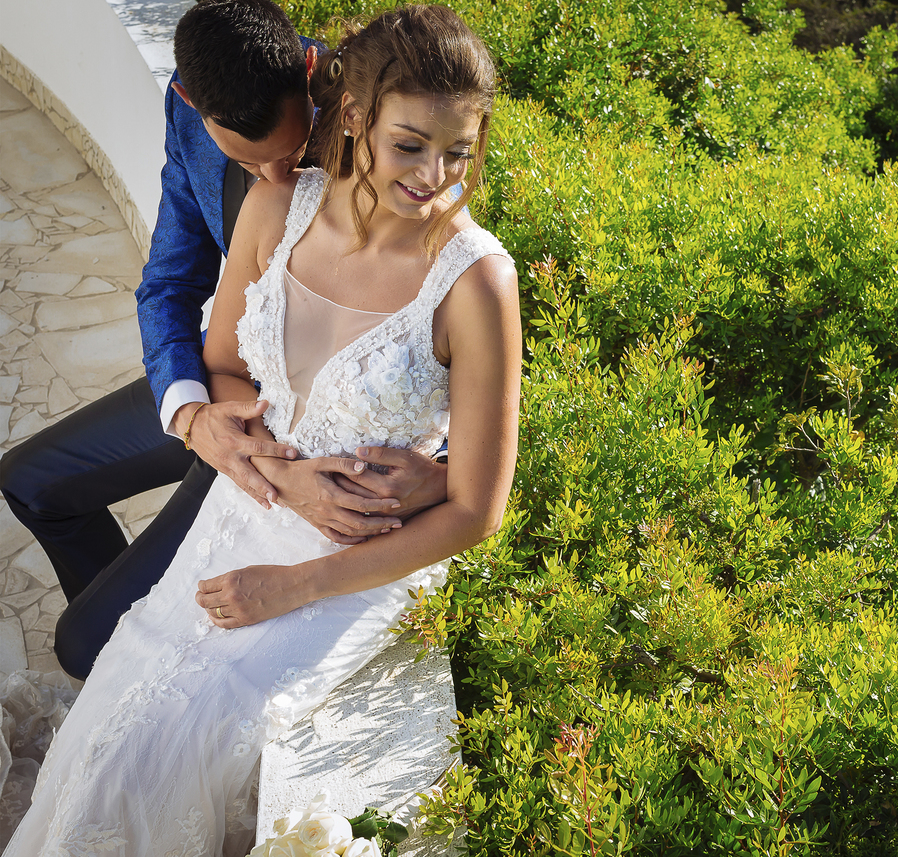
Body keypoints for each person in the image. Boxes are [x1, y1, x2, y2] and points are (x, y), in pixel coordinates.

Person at [4, 4, 519, 854]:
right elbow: (220, 357)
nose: (434, 176)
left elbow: (478, 506)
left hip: (353, 562)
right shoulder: (279, 202)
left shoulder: (475, 280)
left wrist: (296, 584)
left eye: (457, 151)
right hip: (249, 493)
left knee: (177, 742)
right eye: (410, 147)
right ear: (357, 119)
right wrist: (240, 448)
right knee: (113, 709)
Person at [0, 0, 451, 682]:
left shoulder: (372, 123)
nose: (278, 182)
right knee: (30, 482)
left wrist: (436, 467)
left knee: (78, 643)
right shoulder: (186, 114)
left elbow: (430, 325)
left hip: (310, 432)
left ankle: (121, 652)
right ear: (191, 100)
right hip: (229, 380)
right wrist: (190, 414)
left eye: (294, 155)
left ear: (309, 76)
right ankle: (135, 648)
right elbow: (168, 284)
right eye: (252, 161)